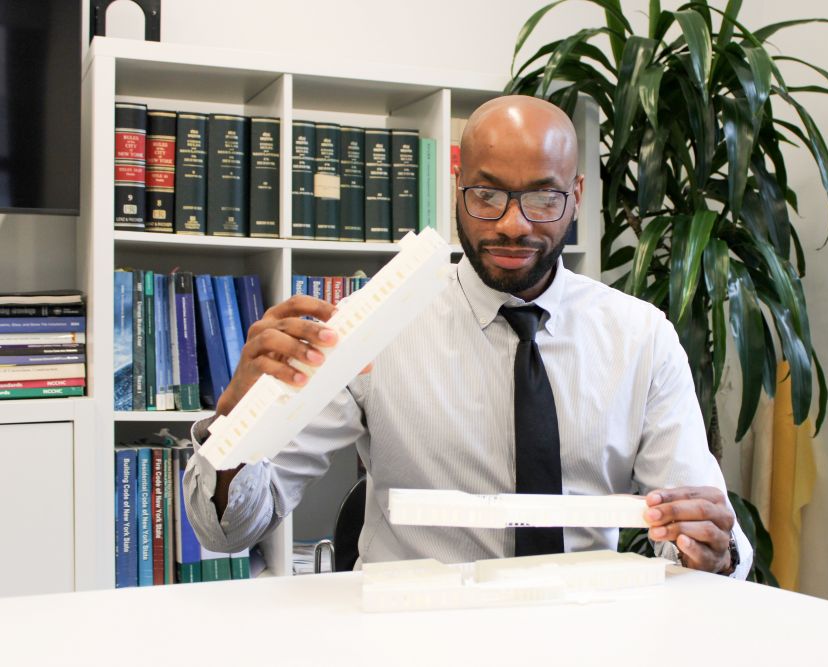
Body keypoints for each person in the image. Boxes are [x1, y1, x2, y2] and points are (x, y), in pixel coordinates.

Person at [183, 95, 751, 578]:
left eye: (544, 198)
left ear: (577, 195)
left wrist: (711, 549)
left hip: (578, 632)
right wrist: (237, 421)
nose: (512, 224)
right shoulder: (373, 327)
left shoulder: (642, 338)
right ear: (458, 188)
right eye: (487, 195)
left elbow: (709, 537)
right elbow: (228, 529)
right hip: (416, 633)